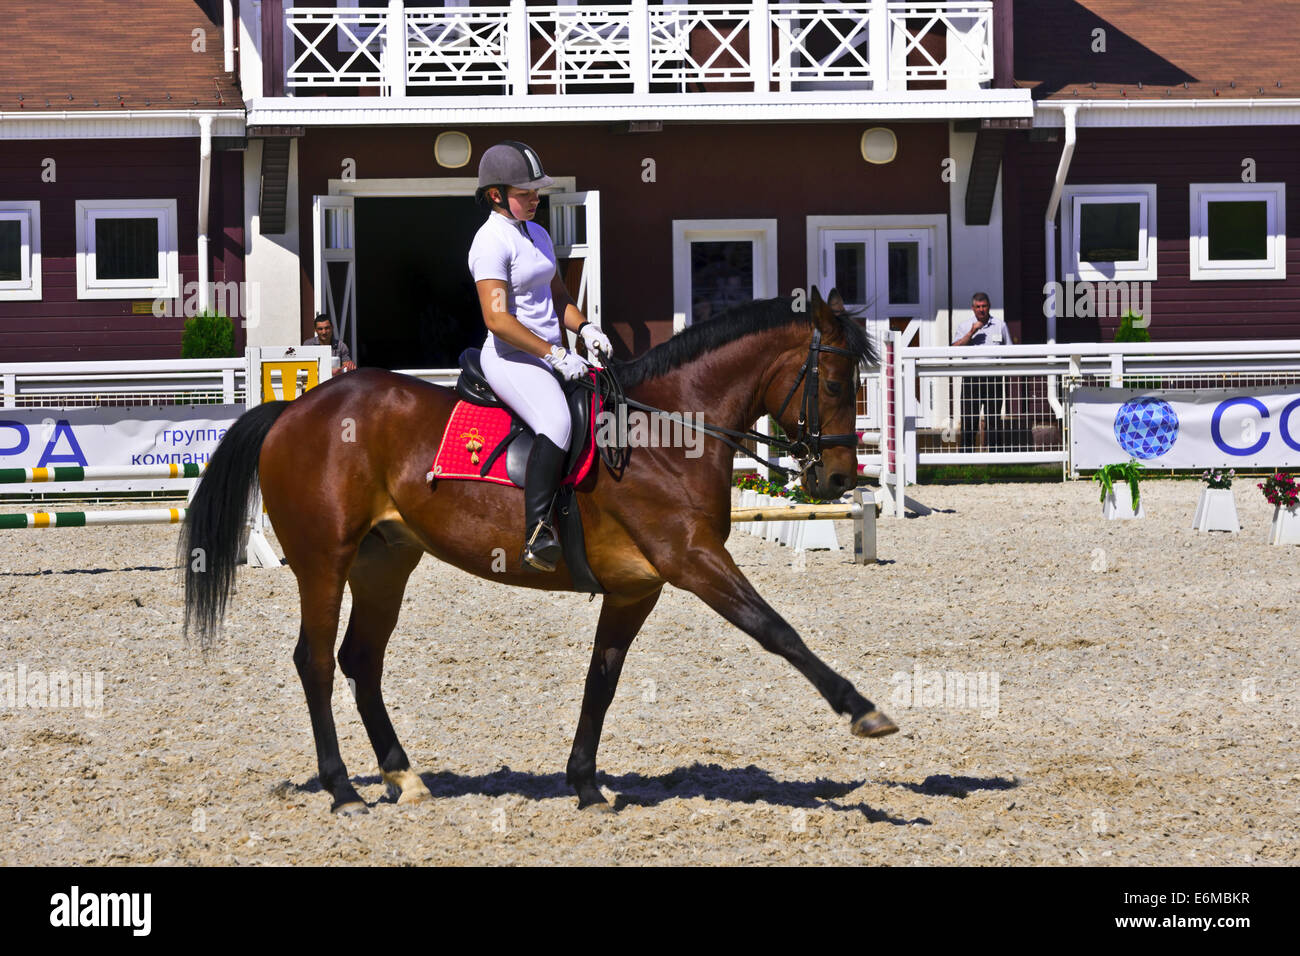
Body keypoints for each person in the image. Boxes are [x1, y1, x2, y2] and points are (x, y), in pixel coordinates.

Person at [468, 140, 612, 573]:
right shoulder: (489, 242)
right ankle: (537, 533)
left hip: (552, 352)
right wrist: (554, 354)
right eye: (525, 191)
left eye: (536, 191)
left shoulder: (538, 233)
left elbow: (557, 295)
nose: (535, 197)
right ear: (496, 195)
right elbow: (497, 320)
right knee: (558, 422)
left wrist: (585, 328)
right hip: (512, 357)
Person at [951, 292, 1012, 452]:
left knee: (993, 419)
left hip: (994, 378)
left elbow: (1010, 350)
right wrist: (971, 333)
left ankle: (995, 457)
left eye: (984, 306)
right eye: (978, 307)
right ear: (972, 308)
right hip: (972, 379)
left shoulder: (1000, 325)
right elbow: (954, 349)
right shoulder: (965, 326)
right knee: (969, 419)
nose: (981, 310)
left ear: (989, 306)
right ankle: (966, 457)